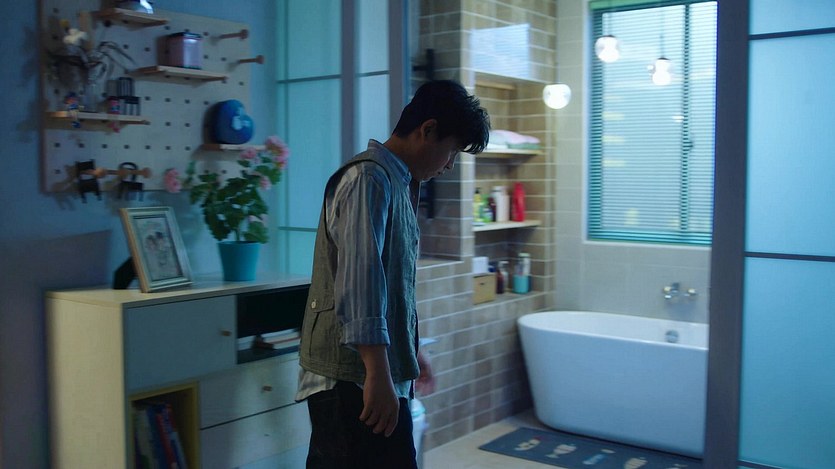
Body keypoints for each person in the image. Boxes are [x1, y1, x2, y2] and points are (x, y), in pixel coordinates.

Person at [296, 79, 491, 468]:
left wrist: (410, 351)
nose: (449, 165)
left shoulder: (395, 181)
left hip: (368, 372)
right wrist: (378, 373)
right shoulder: (368, 179)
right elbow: (361, 284)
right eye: (451, 151)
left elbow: (390, 286)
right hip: (351, 377)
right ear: (427, 130)